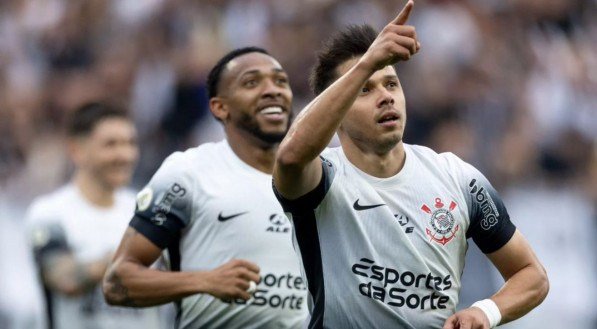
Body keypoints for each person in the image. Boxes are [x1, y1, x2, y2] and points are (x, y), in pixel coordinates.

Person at [272, 1, 549, 329]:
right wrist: (369, 60)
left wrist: (485, 311)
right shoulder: (322, 177)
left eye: (391, 84)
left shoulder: (456, 178)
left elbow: (532, 275)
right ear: (337, 110)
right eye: (364, 89)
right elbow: (289, 157)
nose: (386, 96)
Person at [102, 47, 308, 329]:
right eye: (251, 82)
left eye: (280, 81)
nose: (272, 90)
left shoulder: (319, 178)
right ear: (219, 107)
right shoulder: (189, 173)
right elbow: (117, 282)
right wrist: (204, 280)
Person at [25, 102, 162, 329]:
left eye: (130, 143)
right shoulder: (49, 213)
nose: (125, 155)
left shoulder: (149, 210)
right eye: (111, 145)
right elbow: (66, 280)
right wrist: (133, 254)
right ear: (76, 150)